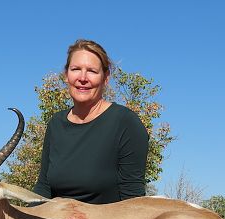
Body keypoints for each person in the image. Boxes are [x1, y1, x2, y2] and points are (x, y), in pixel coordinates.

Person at [33, 39, 149, 204]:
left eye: (92, 71)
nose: (82, 78)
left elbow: (133, 199)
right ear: (66, 75)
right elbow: (43, 187)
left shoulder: (125, 122)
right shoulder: (56, 123)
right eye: (76, 69)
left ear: (106, 77)